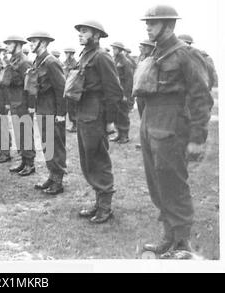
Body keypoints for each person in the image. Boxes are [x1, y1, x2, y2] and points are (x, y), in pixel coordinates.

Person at [136, 5, 212, 255]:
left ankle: (182, 243)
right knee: (157, 183)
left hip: (171, 123)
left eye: (153, 23)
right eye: (147, 22)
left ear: (169, 26)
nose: (147, 26)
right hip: (150, 122)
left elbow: (201, 98)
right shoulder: (154, 53)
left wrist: (197, 139)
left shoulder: (186, 55)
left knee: (173, 183)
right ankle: (168, 236)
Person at [73, 20, 122, 223]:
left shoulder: (102, 57)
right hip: (83, 111)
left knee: (99, 160)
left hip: (96, 113)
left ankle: (105, 207)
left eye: (84, 31)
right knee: (87, 161)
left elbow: (114, 91)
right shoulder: (85, 55)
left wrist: (110, 121)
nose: (80, 34)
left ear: (97, 35)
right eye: (80, 31)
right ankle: (98, 202)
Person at [27, 31, 66, 196]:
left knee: (55, 146)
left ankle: (58, 181)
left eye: (33, 41)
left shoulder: (51, 62)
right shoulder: (39, 61)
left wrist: (61, 113)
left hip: (52, 111)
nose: (30, 44)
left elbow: (61, 88)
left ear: (42, 43)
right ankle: (52, 176)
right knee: (47, 145)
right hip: (43, 109)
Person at [3, 35, 36, 176]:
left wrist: (31, 105)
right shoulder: (13, 61)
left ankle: (30, 163)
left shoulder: (24, 62)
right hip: (15, 102)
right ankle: (24, 161)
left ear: (17, 45)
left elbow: (31, 85)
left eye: (9, 44)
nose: (6, 46)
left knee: (26, 133)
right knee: (19, 133)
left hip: (24, 103)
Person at [109, 42, 134, 144]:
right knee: (117, 114)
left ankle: (125, 136)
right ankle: (119, 134)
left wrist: (126, 94)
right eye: (113, 48)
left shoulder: (125, 61)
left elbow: (129, 79)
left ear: (119, 50)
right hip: (116, 92)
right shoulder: (115, 60)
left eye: (115, 49)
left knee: (123, 114)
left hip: (123, 92)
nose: (113, 51)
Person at [63, 47, 78, 133]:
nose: (66, 55)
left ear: (72, 54)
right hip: (67, 86)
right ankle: (73, 123)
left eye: (68, 53)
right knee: (69, 107)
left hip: (73, 87)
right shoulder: (65, 63)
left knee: (73, 106)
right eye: (66, 53)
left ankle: (75, 124)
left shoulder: (75, 63)